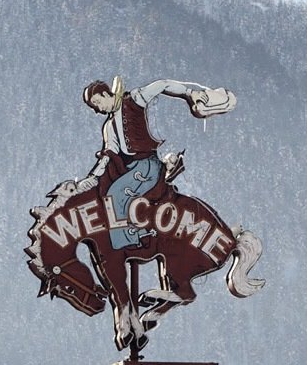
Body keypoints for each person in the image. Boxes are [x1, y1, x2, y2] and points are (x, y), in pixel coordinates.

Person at [80, 77, 235, 250]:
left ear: (105, 94)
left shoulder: (134, 99)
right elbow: (109, 154)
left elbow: (162, 85)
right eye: (94, 106)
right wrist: (93, 177)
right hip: (131, 168)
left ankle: (127, 242)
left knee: (116, 193)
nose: (98, 109)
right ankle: (133, 232)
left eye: (97, 102)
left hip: (148, 164)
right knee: (108, 191)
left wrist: (190, 92)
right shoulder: (109, 127)